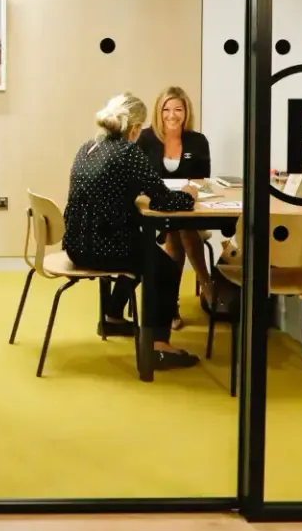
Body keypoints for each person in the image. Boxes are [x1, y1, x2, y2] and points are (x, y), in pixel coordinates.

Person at [63, 92, 200, 371]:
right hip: (104, 249)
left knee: (143, 251)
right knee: (164, 267)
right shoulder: (128, 152)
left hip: (76, 245)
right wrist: (189, 194)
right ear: (135, 128)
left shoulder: (88, 146)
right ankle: (159, 346)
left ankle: (113, 317)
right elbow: (165, 200)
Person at [135, 86, 225, 321]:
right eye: (166, 109)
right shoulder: (145, 139)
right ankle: (206, 284)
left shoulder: (197, 141)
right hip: (155, 208)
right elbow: (137, 179)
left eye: (178, 109)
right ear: (158, 111)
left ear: (186, 112)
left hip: (187, 207)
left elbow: (202, 180)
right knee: (179, 229)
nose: (172, 115)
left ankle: (170, 306)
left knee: (179, 229)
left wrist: (191, 192)